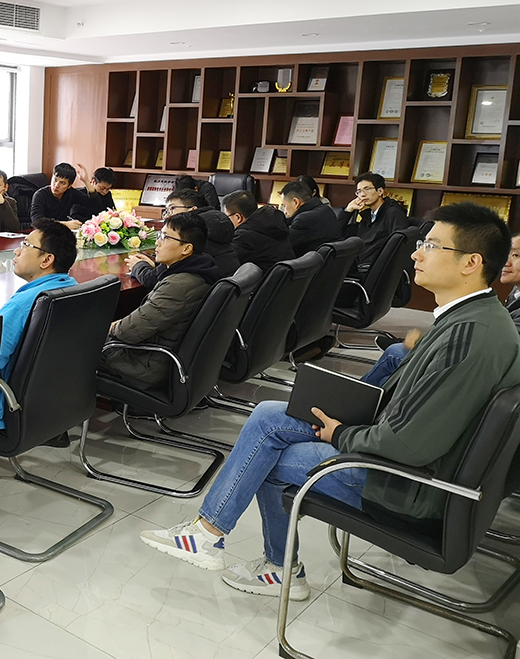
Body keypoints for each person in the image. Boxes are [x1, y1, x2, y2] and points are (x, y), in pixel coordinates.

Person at [139, 202, 520, 602]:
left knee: (269, 462)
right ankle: (208, 535)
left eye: (432, 246)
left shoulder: (467, 337)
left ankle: (271, 564)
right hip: (405, 458)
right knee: (269, 415)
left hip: (406, 485)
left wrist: (342, 434)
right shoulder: (475, 319)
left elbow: (409, 445)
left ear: (471, 262)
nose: (416, 255)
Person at [362, 231, 520, 386]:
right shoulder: (516, 291)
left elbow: (491, 346)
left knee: (394, 353)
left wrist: (427, 343)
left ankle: (358, 398)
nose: (506, 262)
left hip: (482, 373)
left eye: (516, 255)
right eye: (507, 254)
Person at [101, 212, 220, 390]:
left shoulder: (178, 286)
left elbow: (128, 331)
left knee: (78, 340)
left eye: (165, 237)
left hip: (146, 366)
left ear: (186, 249)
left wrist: (107, 327)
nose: (157, 243)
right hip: (165, 357)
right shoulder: (199, 272)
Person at [0, 219, 78, 431]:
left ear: (46, 260)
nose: (17, 251)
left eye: (25, 245)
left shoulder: (23, 305)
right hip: (51, 402)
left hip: (2, 408)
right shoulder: (73, 288)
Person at [130, 189, 237, 284]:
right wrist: (155, 264)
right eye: (166, 211)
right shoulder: (214, 223)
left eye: (172, 208)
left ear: (192, 210)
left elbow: (153, 279)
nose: (167, 216)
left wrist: (138, 265)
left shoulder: (193, 231)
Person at [337, 172, 409, 272]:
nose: (362, 194)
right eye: (359, 191)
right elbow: (338, 234)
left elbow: (398, 246)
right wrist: (348, 210)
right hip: (359, 265)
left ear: (380, 191)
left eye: (367, 189)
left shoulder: (393, 213)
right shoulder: (368, 215)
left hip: (374, 269)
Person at [223, 190, 295, 273]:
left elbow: (226, 264)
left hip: (265, 279)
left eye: (227, 217)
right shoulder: (271, 223)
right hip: (284, 278)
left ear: (238, 217)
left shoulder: (244, 237)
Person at [280, 180, 343, 257]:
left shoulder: (304, 220)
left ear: (295, 202)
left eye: (284, 206)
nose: (285, 211)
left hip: (316, 263)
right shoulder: (325, 209)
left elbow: (281, 244)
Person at [29, 162, 91, 229]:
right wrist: (64, 224)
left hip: (61, 232)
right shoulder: (40, 195)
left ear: (69, 186)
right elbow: (37, 221)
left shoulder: (71, 193)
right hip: (43, 231)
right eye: (55, 180)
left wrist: (87, 182)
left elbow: (93, 205)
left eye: (62, 183)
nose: (56, 185)